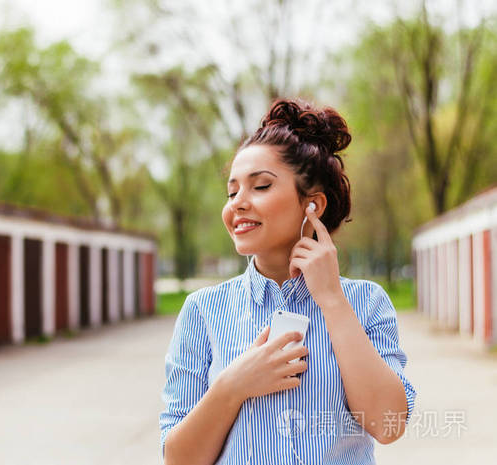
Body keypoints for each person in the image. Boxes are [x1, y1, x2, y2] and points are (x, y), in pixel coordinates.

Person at [158, 98, 417, 465]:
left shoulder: (365, 302)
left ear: (313, 205)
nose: (237, 204)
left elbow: (387, 425)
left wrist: (331, 300)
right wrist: (234, 386)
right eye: (232, 192)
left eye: (260, 186)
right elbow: (178, 459)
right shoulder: (203, 311)